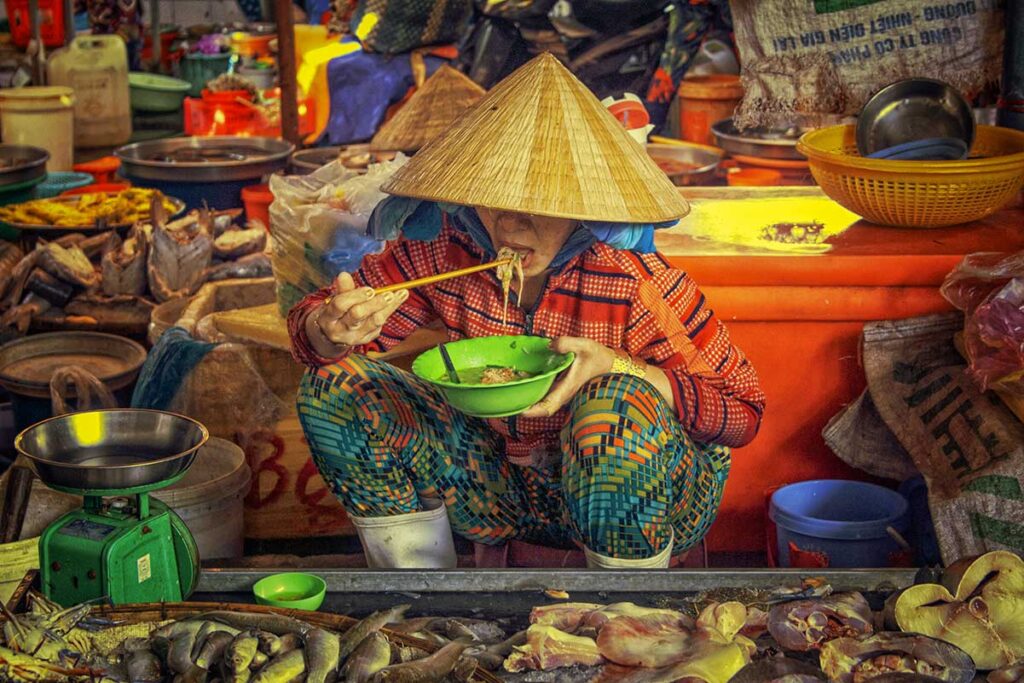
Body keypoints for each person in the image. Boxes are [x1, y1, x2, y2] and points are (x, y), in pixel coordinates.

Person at [287, 53, 764, 569]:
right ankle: (421, 599)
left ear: (581, 206)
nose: (511, 224)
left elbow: (742, 415)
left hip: (649, 496)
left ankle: (632, 616)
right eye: (493, 200)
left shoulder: (633, 279)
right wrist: (329, 327)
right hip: (505, 486)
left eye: (539, 204)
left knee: (614, 402)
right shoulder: (448, 247)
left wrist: (621, 367)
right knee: (334, 385)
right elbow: (325, 327)